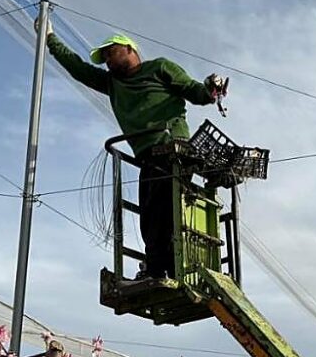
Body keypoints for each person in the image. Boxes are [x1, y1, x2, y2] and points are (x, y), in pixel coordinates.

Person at [40, 19, 226, 279]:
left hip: (172, 147)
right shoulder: (112, 83)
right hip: (148, 156)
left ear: (129, 49)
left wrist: (210, 91)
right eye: (104, 57)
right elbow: (78, 68)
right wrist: (50, 39)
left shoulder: (159, 67)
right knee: (150, 214)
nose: (107, 60)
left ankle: (165, 268)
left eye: (110, 52)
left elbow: (194, 91)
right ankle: (158, 267)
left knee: (163, 209)